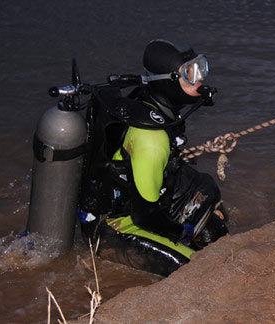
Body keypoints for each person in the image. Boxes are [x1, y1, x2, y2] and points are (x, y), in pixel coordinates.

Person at [78, 39, 228, 275]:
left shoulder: (150, 101)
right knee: (200, 271)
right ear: (168, 82)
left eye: (200, 68)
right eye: (190, 73)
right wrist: (183, 234)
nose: (200, 79)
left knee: (212, 208)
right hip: (119, 225)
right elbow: (145, 217)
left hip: (142, 196)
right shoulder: (152, 139)